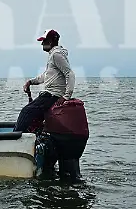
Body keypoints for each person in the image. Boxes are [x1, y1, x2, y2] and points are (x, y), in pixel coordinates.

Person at [18, 29, 86, 180]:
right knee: (34, 121)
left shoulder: (56, 54)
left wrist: (66, 96)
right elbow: (47, 76)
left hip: (52, 95)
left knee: (26, 113)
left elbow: (70, 74)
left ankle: (14, 141)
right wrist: (32, 81)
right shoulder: (53, 55)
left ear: (52, 40)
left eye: (44, 40)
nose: (42, 43)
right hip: (49, 94)